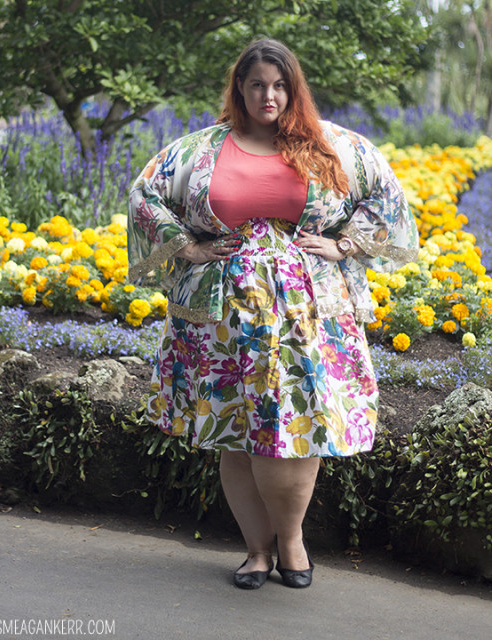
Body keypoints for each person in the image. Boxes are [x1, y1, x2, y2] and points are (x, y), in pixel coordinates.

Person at [127, 38, 418, 590]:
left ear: (294, 88)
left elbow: (387, 195)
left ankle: (292, 541)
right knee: (237, 428)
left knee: (297, 426)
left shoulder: (332, 145)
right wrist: (185, 246)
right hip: (222, 320)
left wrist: (346, 245)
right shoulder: (200, 150)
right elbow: (144, 195)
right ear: (240, 87)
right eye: (257, 84)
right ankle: (256, 551)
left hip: (307, 317)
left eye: (280, 85)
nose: (269, 95)